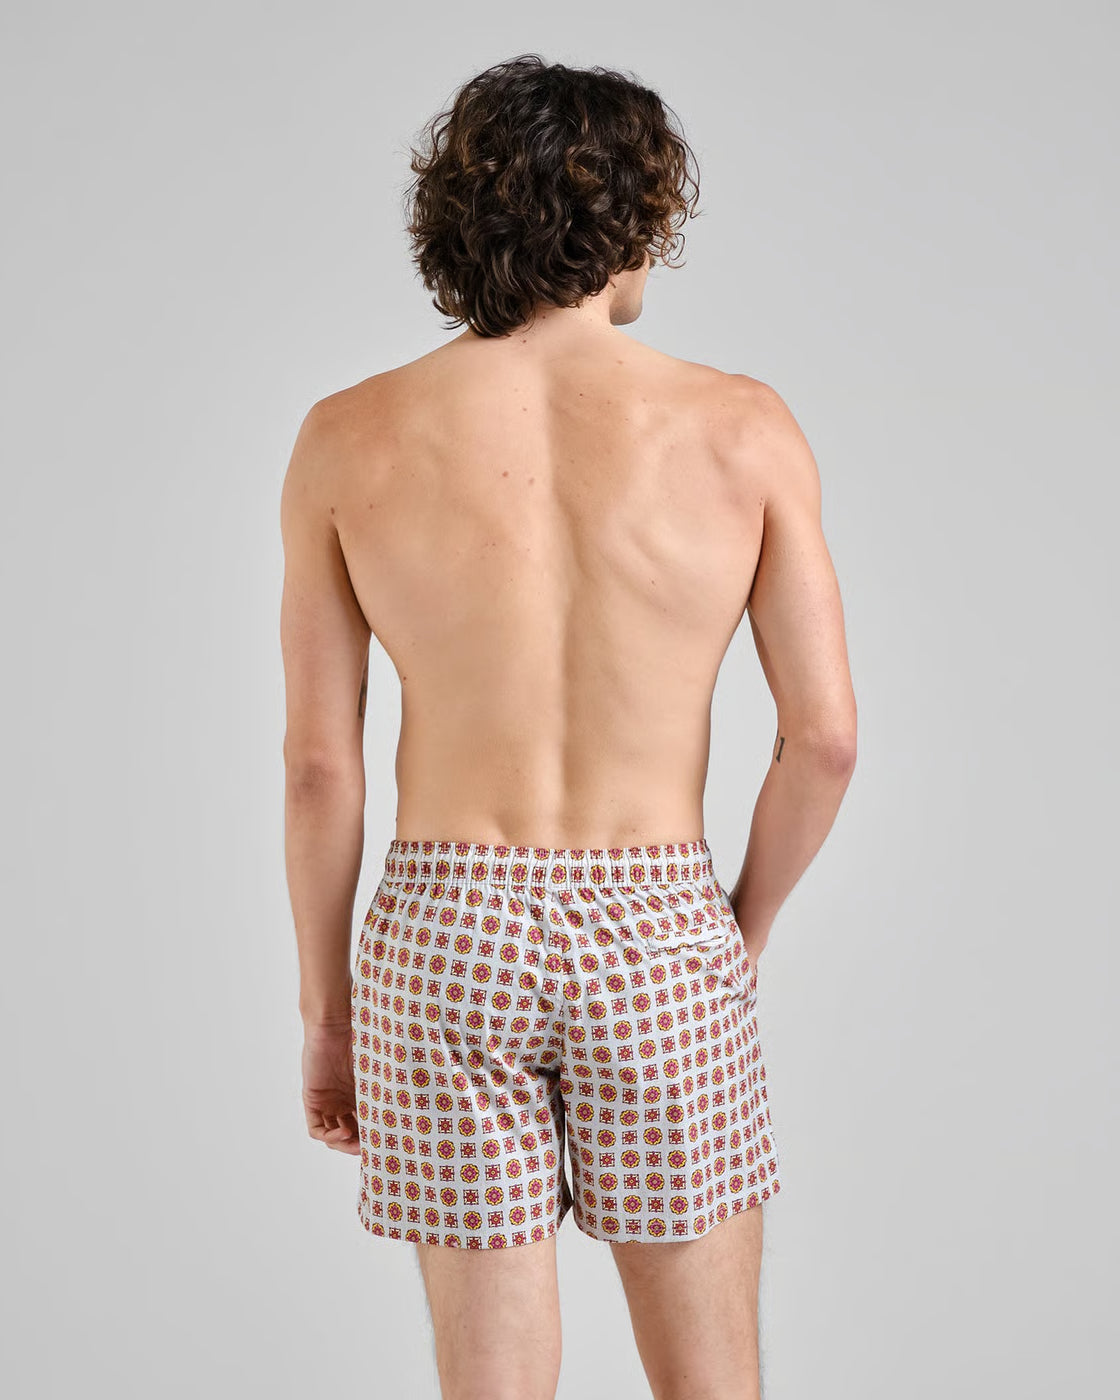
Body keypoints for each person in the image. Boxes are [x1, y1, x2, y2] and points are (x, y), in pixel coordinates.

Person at [280, 52, 857, 1400]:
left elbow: (319, 769)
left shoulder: (347, 436)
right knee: (710, 1384)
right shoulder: (742, 429)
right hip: (658, 917)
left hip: (443, 929)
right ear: (636, 217)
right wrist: (738, 930)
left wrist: (327, 1013)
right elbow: (823, 741)